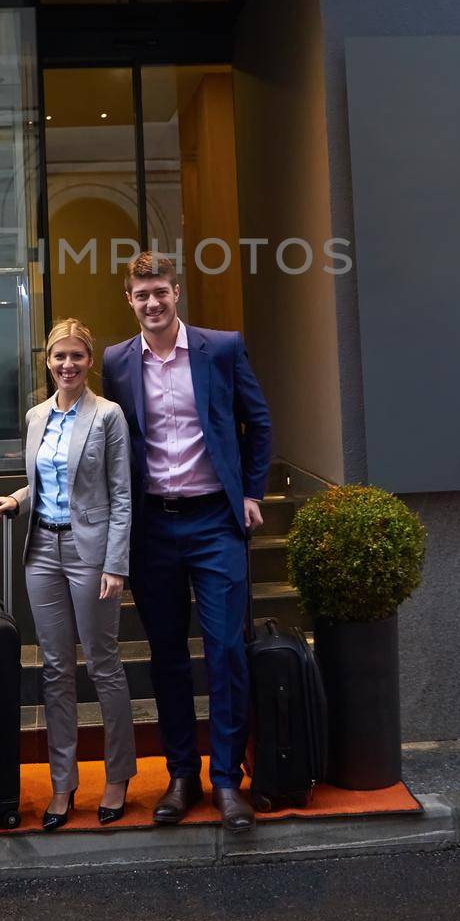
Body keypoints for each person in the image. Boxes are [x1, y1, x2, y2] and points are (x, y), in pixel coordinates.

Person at [102, 254, 272, 833]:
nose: (153, 303)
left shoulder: (219, 349)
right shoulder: (117, 362)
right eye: (142, 294)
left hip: (215, 523)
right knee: (167, 654)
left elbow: (259, 420)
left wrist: (252, 492)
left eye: (161, 292)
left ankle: (227, 781)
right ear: (130, 300)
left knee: (225, 649)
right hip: (153, 528)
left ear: (178, 293)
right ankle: (181, 775)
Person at [0, 319, 137, 830]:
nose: (67, 365)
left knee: (103, 665)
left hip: (90, 552)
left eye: (77, 356)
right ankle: (63, 784)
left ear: (89, 361)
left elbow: (121, 495)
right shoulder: (36, 417)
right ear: (47, 362)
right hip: (42, 550)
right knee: (55, 669)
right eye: (59, 357)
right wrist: (18, 498)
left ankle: (117, 777)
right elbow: (46, 481)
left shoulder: (108, 416)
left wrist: (116, 563)